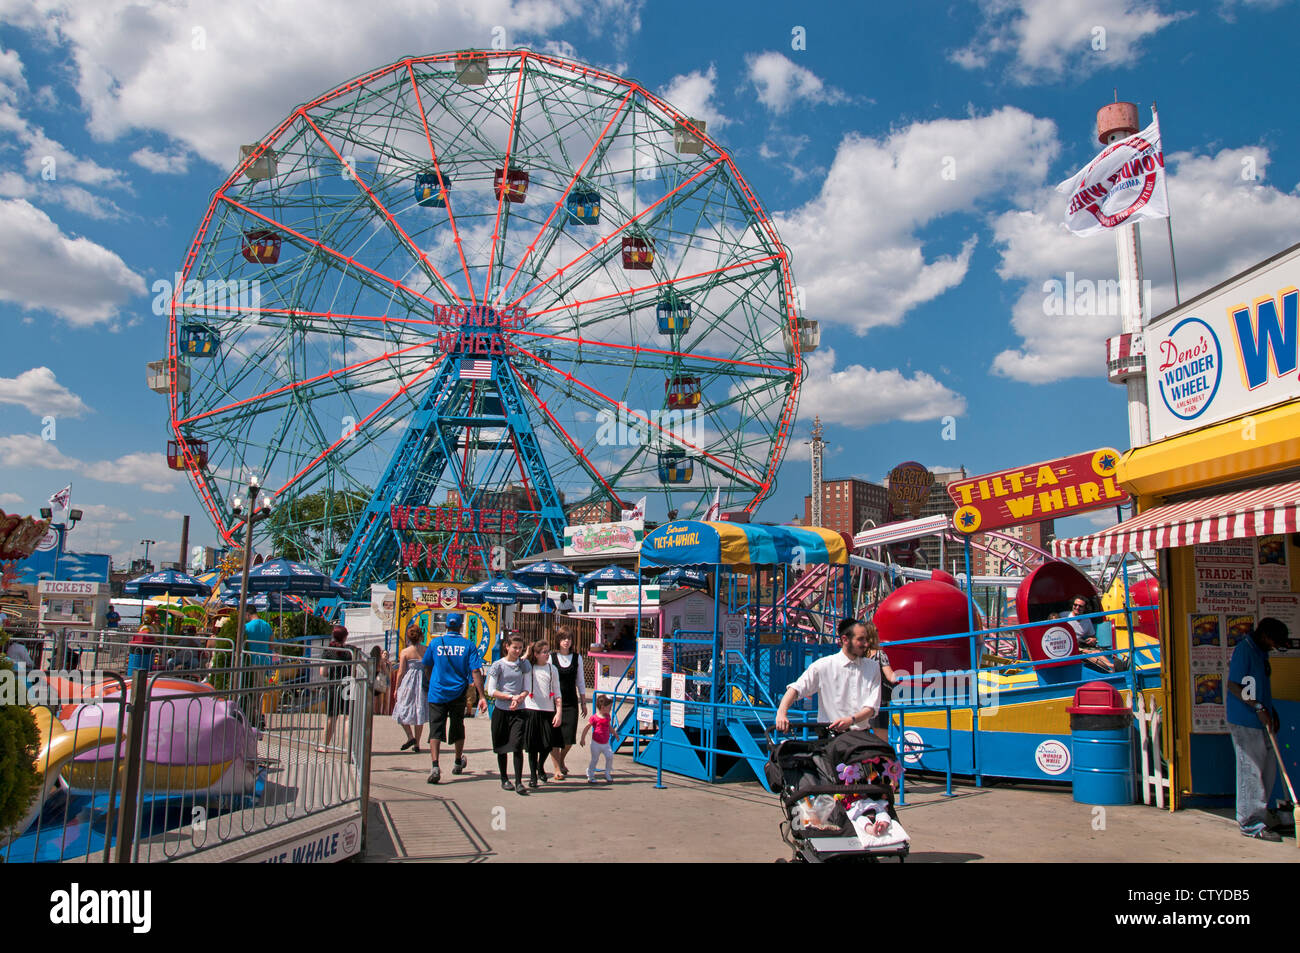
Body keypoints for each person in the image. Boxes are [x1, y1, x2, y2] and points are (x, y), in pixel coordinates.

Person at [1226, 617, 1290, 842]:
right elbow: (1234, 685)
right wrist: (1257, 706)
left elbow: (1260, 685)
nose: (1275, 646)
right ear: (1264, 635)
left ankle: (1262, 813)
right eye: (1274, 641)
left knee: (1269, 770)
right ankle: (1251, 823)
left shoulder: (1262, 652)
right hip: (1245, 720)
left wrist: (1270, 710)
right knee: (1251, 771)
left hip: (1262, 719)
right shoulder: (1245, 651)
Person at [774, 618, 881, 734]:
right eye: (860, 639)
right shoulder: (823, 666)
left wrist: (851, 720)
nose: (866, 644)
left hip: (861, 735)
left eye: (866, 639)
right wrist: (781, 713)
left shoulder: (873, 667)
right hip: (831, 736)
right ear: (845, 639)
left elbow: (872, 707)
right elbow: (796, 689)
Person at [421, 613, 488, 784]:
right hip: (458, 691)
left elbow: (427, 665)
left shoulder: (435, 643)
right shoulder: (468, 645)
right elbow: (475, 671)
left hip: (437, 691)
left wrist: (433, 682)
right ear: (460, 626)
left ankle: (435, 765)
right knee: (458, 726)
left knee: (435, 728)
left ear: (445, 626)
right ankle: (458, 761)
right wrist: (481, 695)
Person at [485, 634, 532, 795]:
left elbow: (527, 687)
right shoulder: (498, 665)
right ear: (507, 646)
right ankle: (504, 778)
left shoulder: (524, 665)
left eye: (520, 648)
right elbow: (491, 690)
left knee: (517, 745)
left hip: (518, 711)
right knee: (502, 746)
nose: (517, 651)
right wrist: (509, 697)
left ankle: (519, 781)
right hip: (501, 711)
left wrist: (520, 697)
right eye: (515, 647)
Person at [523, 640, 563, 788]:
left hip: (548, 710)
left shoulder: (552, 669)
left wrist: (558, 712)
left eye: (548, 651)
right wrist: (526, 654)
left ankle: (540, 766)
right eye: (544, 652)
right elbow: (517, 665)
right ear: (536, 654)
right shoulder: (529, 667)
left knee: (547, 744)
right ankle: (533, 775)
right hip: (531, 709)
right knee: (532, 746)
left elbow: (557, 692)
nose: (547, 654)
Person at [549, 627, 587, 779]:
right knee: (554, 737)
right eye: (563, 638)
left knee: (569, 738)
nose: (566, 641)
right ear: (558, 640)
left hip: (571, 701)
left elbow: (581, 681)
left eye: (569, 638)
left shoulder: (577, 658)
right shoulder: (552, 657)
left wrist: (583, 702)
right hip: (554, 701)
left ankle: (561, 759)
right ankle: (557, 768)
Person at [318, 625, 354, 753]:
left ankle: (324, 746)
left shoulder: (328, 651)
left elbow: (323, 672)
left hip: (333, 685)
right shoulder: (351, 651)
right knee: (347, 717)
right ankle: (349, 748)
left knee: (331, 717)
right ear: (345, 637)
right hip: (348, 685)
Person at [392, 625, 427, 752]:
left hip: (408, 681)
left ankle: (410, 736)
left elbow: (401, 672)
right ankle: (417, 743)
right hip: (422, 681)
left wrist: (396, 688)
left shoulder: (405, 652)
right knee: (419, 711)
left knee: (401, 708)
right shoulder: (426, 650)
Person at [864, 627, 899, 744]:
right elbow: (891, 677)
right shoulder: (880, 654)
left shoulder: (858, 656)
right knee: (882, 741)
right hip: (877, 702)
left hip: (860, 702)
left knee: (862, 740)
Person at [1068, 596, 1115, 673]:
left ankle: (1111, 666)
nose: (1077, 607)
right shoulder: (1064, 616)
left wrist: (1093, 639)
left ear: (1084, 608)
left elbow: (1093, 636)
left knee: (1096, 652)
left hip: (1080, 644)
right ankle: (1110, 667)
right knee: (1086, 653)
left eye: (1080, 606)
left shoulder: (1086, 619)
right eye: (1075, 605)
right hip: (1070, 646)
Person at [580, 694, 615, 784]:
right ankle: (590, 774)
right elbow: (587, 727)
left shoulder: (607, 717)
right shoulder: (594, 718)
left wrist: (614, 733)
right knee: (595, 759)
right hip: (596, 743)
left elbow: (609, 726)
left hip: (605, 743)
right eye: (609, 707)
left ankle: (607, 772)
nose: (610, 709)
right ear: (603, 707)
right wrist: (582, 738)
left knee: (610, 756)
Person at [371, 646, 392, 715]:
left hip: (373, 677)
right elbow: (385, 671)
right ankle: (379, 711)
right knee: (379, 696)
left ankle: (373, 710)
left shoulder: (371, 660)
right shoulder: (381, 661)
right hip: (380, 677)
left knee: (373, 696)